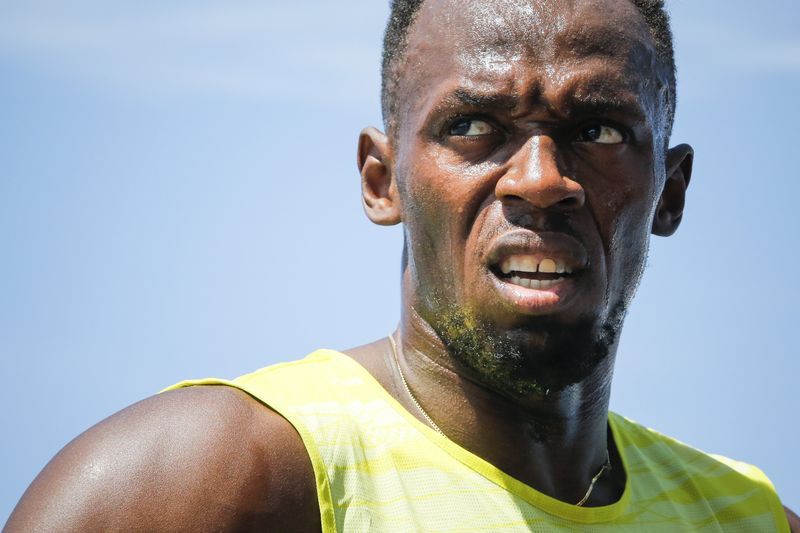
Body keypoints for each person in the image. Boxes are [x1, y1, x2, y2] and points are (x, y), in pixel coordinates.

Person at [5, 0, 798, 531]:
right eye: (475, 124)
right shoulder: (204, 484)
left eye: (598, 131)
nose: (541, 179)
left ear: (672, 191)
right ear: (381, 181)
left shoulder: (749, 516)